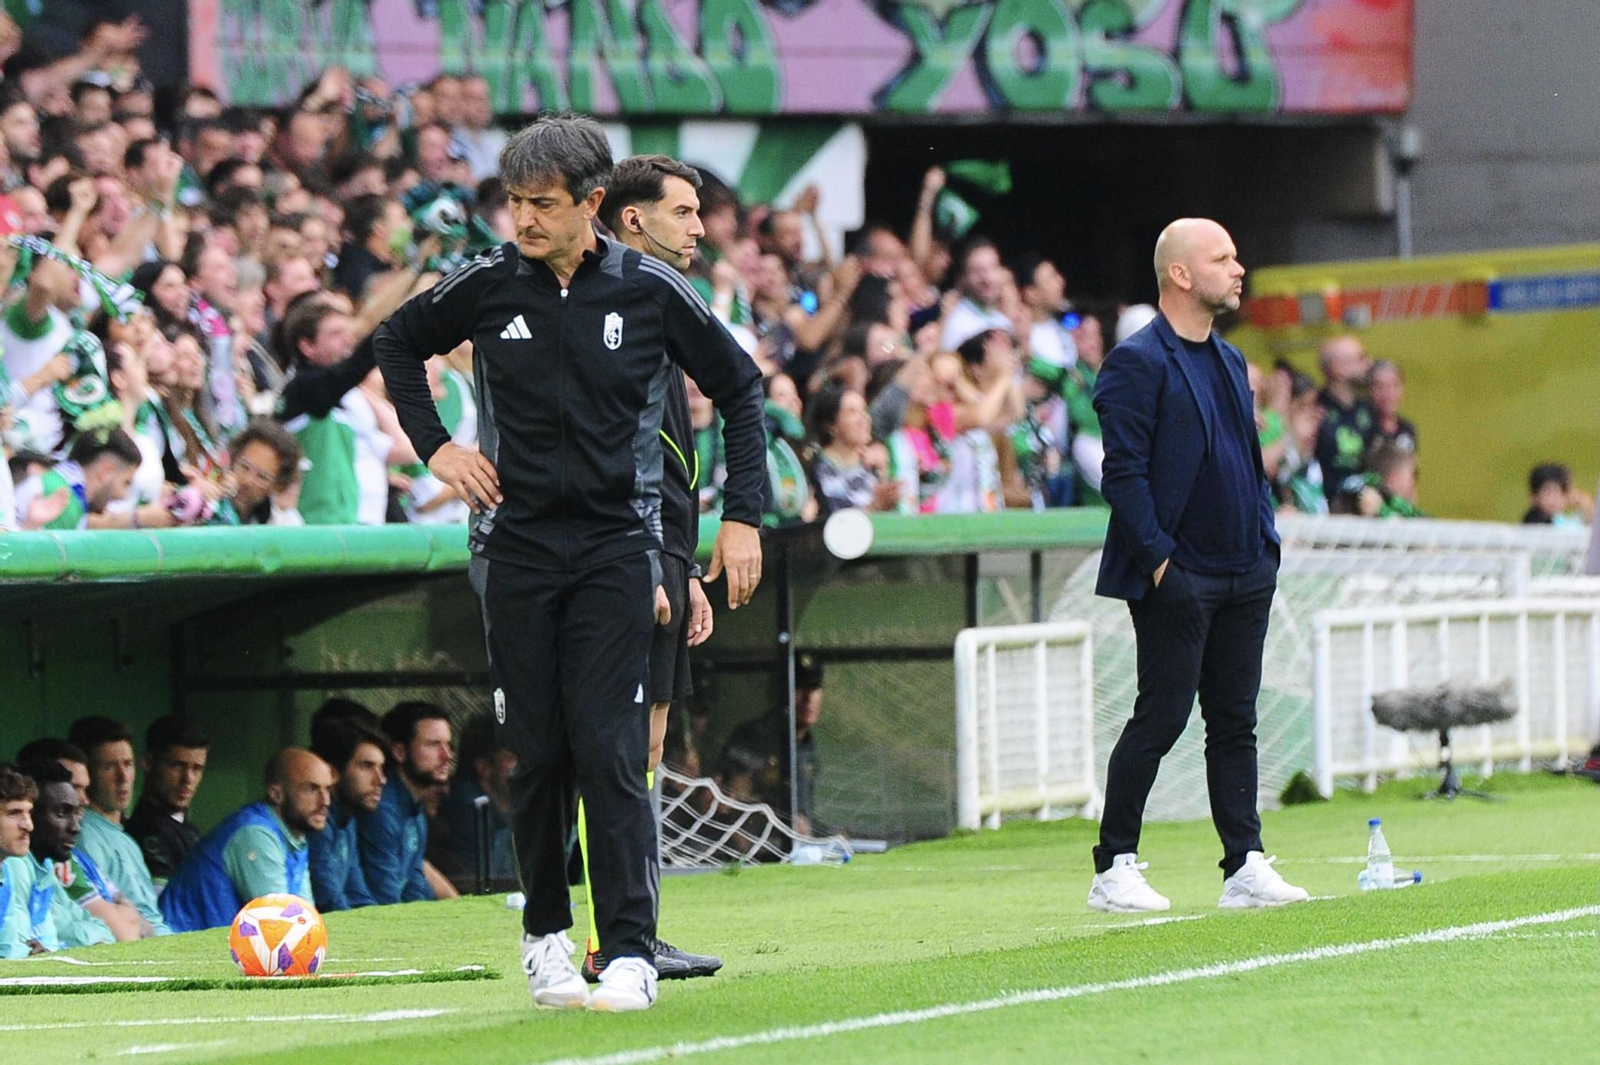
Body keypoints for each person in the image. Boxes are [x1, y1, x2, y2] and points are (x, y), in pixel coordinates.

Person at [372, 113, 766, 1014]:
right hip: (513, 549)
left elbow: (740, 386)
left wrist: (741, 518)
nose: (524, 219)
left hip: (613, 548)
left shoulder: (652, 290)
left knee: (612, 747)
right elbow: (396, 343)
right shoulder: (483, 285)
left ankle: (626, 951)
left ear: (593, 203)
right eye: (513, 201)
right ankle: (544, 937)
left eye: (542, 204)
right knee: (535, 750)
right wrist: (435, 447)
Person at [1090, 218, 1308, 913]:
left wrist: (1266, 542)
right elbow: (1121, 474)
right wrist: (1160, 565)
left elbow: (1245, 460)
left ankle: (1244, 863)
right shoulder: (1137, 360)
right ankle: (1113, 865)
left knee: (1235, 721)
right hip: (1179, 574)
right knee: (1161, 716)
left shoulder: (1230, 359)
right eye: (1222, 258)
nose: (1239, 268)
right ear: (1180, 274)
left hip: (1246, 567)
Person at [584, 152, 723, 983]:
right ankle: (610, 934)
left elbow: (667, 453)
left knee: (649, 746)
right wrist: (650, 560)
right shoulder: (614, 298)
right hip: (623, 553)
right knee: (615, 745)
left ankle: (636, 928)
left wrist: (689, 564)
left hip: (665, 549)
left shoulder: (662, 301)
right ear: (632, 218)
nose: (699, 227)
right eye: (683, 212)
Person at [159, 749, 331, 932]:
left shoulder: (295, 835)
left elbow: (307, 919)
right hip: (181, 947)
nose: (325, 801)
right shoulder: (255, 834)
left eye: (327, 789)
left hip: (215, 948)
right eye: (311, 789)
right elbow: (281, 926)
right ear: (276, 794)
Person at [67, 716, 170, 934]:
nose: (123, 776)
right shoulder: (83, 835)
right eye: (109, 767)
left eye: (128, 764)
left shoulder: (125, 838)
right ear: (88, 774)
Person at [715, 653, 825, 835]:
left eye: (814, 688)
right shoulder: (753, 737)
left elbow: (804, 816)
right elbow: (730, 801)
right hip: (756, 841)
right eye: (799, 688)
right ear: (779, 692)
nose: (809, 698)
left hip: (795, 842)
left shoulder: (806, 744)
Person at [360, 701, 454, 905]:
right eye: (433, 744)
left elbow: (415, 886)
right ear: (399, 752)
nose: (447, 755)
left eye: (448, 745)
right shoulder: (382, 811)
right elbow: (386, 902)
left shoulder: (415, 808)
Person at [18, 759, 114, 950]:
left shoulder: (45, 868)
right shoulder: (16, 867)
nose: (76, 827)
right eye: (62, 813)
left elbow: (104, 930)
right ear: (30, 815)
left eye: (76, 813)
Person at [307, 720, 386, 912]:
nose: (381, 780)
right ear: (333, 773)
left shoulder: (348, 818)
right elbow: (329, 902)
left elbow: (357, 894)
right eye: (367, 766)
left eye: (381, 768)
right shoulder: (316, 821)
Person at [124, 716, 208, 886]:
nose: (188, 779)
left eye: (197, 768)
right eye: (177, 766)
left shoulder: (190, 831)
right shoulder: (143, 832)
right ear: (147, 762)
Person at [1313, 334, 1374, 510]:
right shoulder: (1314, 410)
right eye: (1361, 357)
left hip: (1366, 511)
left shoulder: (1368, 409)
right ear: (1338, 369)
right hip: (1326, 515)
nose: (1369, 363)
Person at [0, 762, 39, 957]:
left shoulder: (5, 871)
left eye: (29, 813)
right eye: (14, 813)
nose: (28, 825)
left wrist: (28, 954)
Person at [1367, 360, 1417, 455]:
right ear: (1369, 390)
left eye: (1394, 386)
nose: (1388, 395)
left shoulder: (1407, 430)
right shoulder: (1362, 429)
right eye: (1379, 387)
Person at [1523, 463, 1592, 526]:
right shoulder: (1536, 523)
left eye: (1560, 492)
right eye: (1548, 492)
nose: (1555, 498)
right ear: (1534, 497)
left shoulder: (1557, 518)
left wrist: (1584, 502)